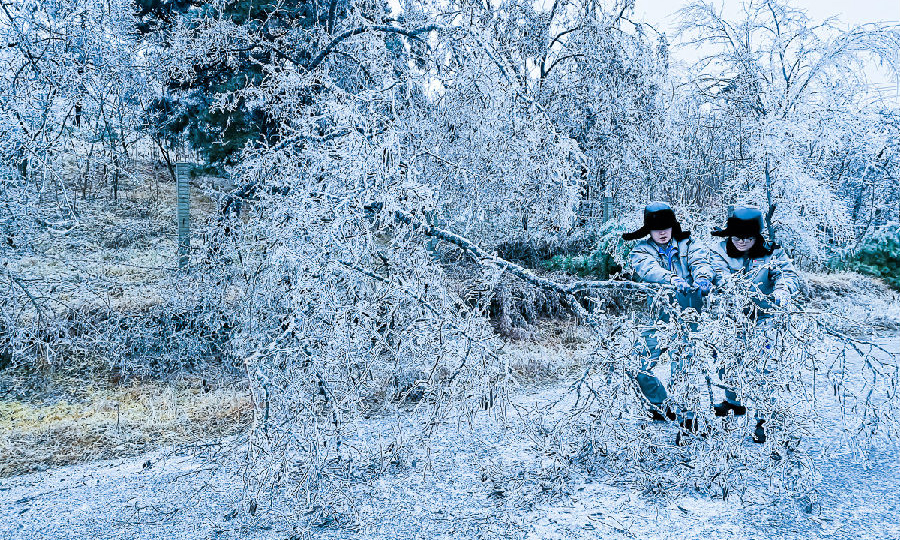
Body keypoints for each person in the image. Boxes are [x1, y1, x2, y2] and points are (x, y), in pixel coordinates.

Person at [709, 205, 802, 443]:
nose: (742, 242)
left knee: (764, 366)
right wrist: (732, 289)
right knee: (728, 361)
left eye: (748, 238)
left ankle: (765, 418)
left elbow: (787, 276)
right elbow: (719, 276)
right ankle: (734, 402)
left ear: (757, 237)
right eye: (737, 237)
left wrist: (783, 290)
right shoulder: (718, 251)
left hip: (765, 316)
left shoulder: (772, 252)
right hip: (732, 316)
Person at [622, 202, 714, 433]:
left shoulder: (690, 244)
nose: (662, 233)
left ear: (673, 227)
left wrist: (702, 278)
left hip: (689, 315)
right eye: (656, 228)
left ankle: (688, 416)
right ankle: (661, 405)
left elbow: (701, 262)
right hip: (658, 317)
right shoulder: (640, 250)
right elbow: (648, 269)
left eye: (666, 227)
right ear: (648, 231)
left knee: (683, 366)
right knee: (637, 363)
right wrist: (673, 279)